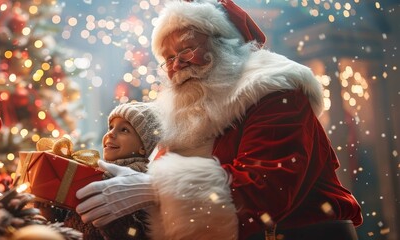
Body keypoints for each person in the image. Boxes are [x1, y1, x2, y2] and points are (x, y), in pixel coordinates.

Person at [76, 0, 363, 240]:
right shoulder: (183, 116)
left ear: (225, 46)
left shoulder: (275, 91)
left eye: (187, 49)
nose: (177, 64)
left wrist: (151, 188)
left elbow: (265, 188)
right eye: (168, 58)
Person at [57, 102, 161, 239]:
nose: (111, 134)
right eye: (111, 127)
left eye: (124, 130)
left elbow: (133, 235)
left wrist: (109, 216)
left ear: (144, 146)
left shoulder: (137, 183)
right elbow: (65, 220)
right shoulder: (94, 172)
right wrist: (47, 207)